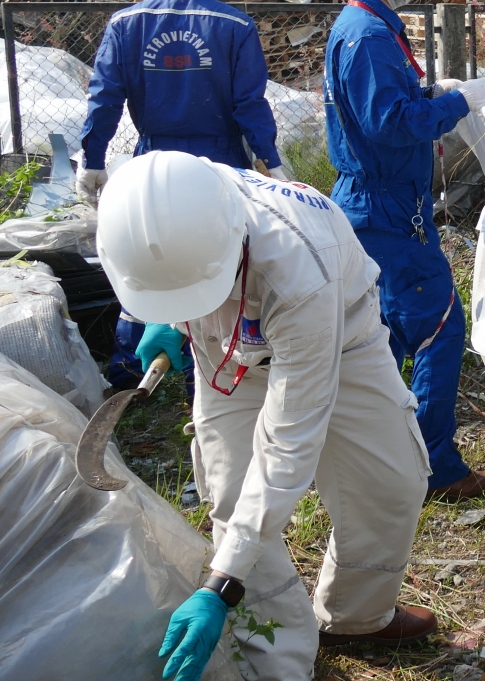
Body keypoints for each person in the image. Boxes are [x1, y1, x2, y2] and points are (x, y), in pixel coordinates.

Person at [96, 151, 437, 680]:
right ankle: (276, 661)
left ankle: (355, 617)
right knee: (233, 495)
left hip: (337, 339)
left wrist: (220, 583)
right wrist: (159, 312)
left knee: (390, 483)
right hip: (224, 354)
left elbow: (288, 444)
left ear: (235, 239)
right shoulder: (144, 203)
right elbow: (145, 259)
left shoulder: (299, 265)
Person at [323, 0, 485, 500]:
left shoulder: (362, 27)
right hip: (388, 210)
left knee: (387, 337)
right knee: (441, 327)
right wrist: (458, 103)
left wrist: (434, 104)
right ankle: (435, 471)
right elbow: (391, 123)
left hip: (378, 202)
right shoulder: (369, 36)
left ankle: (375, 452)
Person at [77, 0, 283, 206]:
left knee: (158, 239)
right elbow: (249, 103)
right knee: (225, 243)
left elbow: (105, 98)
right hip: (222, 165)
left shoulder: (124, 24)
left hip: (154, 165)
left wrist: (93, 160)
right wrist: (271, 163)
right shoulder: (236, 25)